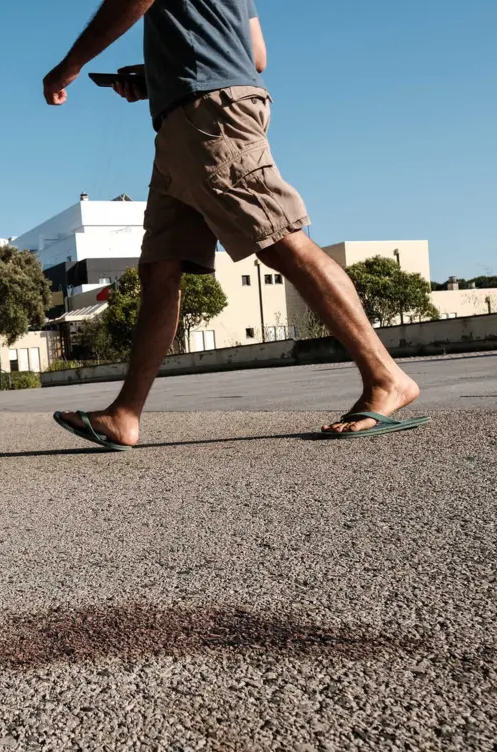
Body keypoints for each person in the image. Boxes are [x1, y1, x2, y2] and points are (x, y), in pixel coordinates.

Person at [43, 0, 427, 447]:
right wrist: (159, 75)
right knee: (161, 267)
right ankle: (124, 414)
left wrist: (70, 65)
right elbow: (255, 54)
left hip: (209, 116)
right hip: (187, 120)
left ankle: (386, 378)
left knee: (279, 238)